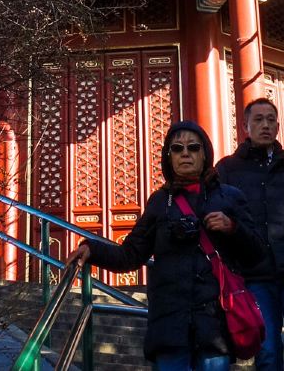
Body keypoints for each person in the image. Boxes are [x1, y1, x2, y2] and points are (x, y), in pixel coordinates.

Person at [76, 121, 266, 371]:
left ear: (205, 153)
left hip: (214, 323)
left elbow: (256, 254)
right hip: (170, 324)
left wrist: (233, 228)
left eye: (193, 147)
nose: (185, 153)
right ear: (169, 157)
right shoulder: (159, 202)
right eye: (177, 149)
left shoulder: (229, 196)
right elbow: (131, 254)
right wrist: (93, 249)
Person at [216, 98, 284, 371]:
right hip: (253, 271)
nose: (265, 125)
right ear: (245, 126)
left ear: (278, 126)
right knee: (266, 348)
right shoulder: (227, 169)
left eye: (270, 120)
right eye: (258, 120)